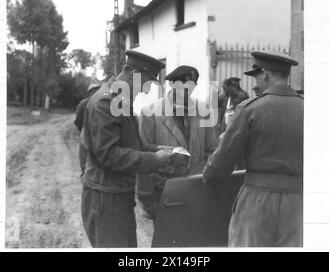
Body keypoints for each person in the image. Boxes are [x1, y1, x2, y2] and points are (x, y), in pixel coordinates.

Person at [203, 50, 303, 247]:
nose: (256, 84)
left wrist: (209, 176)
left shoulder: (250, 109)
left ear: (265, 73)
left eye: (257, 76)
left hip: (257, 202)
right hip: (299, 204)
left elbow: (222, 163)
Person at [81, 50, 174, 248]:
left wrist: (157, 149)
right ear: (133, 75)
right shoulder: (105, 102)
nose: (146, 90)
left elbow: (131, 145)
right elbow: (109, 155)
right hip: (106, 198)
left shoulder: (121, 101)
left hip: (117, 194)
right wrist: (154, 160)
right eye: (146, 83)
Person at [136, 66, 218, 220]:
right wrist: (146, 198)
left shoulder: (204, 111)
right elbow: (143, 158)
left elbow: (212, 150)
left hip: (197, 188)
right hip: (165, 191)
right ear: (172, 85)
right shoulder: (150, 113)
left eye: (191, 86)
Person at [74, 83, 101, 175]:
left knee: (85, 157)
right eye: (93, 91)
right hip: (95, 135)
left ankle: (85, 174)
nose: (95, 93)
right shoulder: (83, 104)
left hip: (93, 135)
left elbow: (77, 121)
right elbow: (78, 121)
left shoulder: (84, 103)